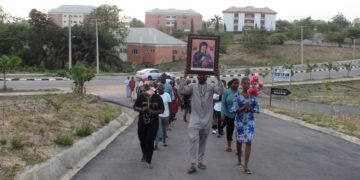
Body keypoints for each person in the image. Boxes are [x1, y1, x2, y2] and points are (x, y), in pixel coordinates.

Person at [178, 70, 225, 173]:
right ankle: (193, 163)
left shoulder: (211, 87)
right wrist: (184, 77)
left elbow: (222, 92)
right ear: (197, 76)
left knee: (203, 142)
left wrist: (218, 78)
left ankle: (200, 161)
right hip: (194, 119)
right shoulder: (192, 86)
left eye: (203, 75)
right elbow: (181, 90)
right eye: (199, 75)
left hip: (207, 119)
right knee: (193, 140)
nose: (200, 76)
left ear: (206, 76)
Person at [230, 77, 259, 175]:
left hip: (250, 122)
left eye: (248, 83)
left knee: (248, 142)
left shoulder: (253, 96)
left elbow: (256, 109)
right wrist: (244, 107)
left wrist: (251, 109)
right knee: (239, 141)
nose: (247, 85)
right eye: (245, 83)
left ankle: (246, 166)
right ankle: (239, 159)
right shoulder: (236, 96)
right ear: (241, 84)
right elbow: (235, 110)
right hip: (240, 122)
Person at [133, 82, 164, 169]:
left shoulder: (157, 97)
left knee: (150, 141)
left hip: (153, 123)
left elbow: (162, 109)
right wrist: (142, 109)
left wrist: (153, 112)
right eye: (148, 88)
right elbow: (135, 107)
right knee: (142, 139)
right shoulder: (142, 96)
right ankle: (144, 153)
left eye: (152, 88)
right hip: (142, 122)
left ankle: (148, 160)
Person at [221, 78, 240, 152]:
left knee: (239, 131)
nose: (236, 85)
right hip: (229, 115)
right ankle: (229, 146)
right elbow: (223, 104)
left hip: (238, 115)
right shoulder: (227, 92)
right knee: (230, 130)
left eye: (238, 83)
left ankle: (239, 147)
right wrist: (222, 114)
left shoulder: (239, 92)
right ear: (231, 84)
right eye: (235, 83)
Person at [154, 84, 172, 149]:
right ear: (158, 89)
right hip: (159, 115)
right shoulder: (157, 96)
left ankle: (164, 141)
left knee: (164, 129)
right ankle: (156, 144)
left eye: (162, 88)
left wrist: (171, 115)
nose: (161, 89)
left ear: (164, 89)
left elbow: (170, 106)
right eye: (159, 88)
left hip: (166, 115)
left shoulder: (167, 95)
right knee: (158, 129)